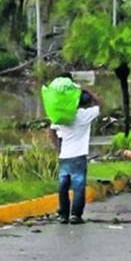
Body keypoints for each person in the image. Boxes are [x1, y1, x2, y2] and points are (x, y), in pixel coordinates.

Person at [49, 88, 100, 225]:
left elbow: (52, 130)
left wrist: (58, 148)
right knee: (78, 186)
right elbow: (101, 106)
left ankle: (64, 214)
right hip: (79, 155)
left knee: (63, 186)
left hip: (65, 156)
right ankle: (75, 215)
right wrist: (89, 92)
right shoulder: (84, 115)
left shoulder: (64, 115)